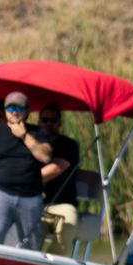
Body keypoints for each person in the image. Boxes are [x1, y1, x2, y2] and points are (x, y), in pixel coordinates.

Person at [0, 90, 53, 249]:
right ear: (5, 111)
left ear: (27, 111)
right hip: (0, 195)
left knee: (31, 245)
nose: (15, 111)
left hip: (30, 199)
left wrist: (23, 135)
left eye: (19, 107)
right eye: (10, 108)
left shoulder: (38, 133)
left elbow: (45, 157)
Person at [37, 103, 83, 250]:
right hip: (34, 202)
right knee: (29, 238)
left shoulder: (68, 145)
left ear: (60, 123)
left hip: (63, 204)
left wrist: (24, 180)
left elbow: (56, 168)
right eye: (45, 120)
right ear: (39, 122)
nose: (48, 124)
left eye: (53, 120)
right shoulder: (31, 143)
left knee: (67, 228)